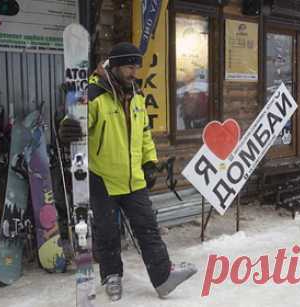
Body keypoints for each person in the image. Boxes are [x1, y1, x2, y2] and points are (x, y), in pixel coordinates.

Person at [58, 42, 197, 301]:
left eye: (137, 66)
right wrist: (67, 126)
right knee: (107, 232)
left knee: (148, 228)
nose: (135, 71)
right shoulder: (95, 93)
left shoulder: (136, 95)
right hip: (104, 177)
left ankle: (163, 278)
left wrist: (149, 162)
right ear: (116, 65)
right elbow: (77, 121)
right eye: (130, 66)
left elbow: (144, 133)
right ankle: (112, 277)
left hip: (134, 178)